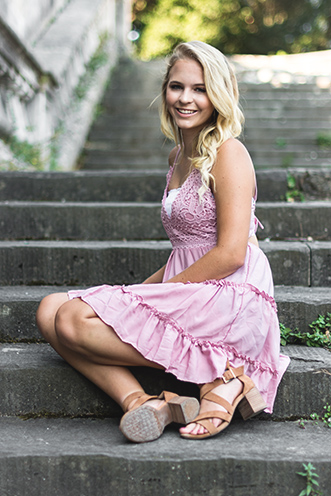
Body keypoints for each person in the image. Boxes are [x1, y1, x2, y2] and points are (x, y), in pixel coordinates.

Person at [36, 40, 290, 443]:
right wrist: (140, 292)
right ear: (165, 90)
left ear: (219, 95)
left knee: (71, 319)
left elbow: (230, 253)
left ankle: (225, 376)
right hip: (190, 285)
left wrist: (156, 294)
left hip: (230, 292)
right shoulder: (177, 157)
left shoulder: (229, 153)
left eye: (200, 89)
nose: (185, 99)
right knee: (51, 308)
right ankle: (144, 402)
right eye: (177, 86)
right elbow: (184, 251)